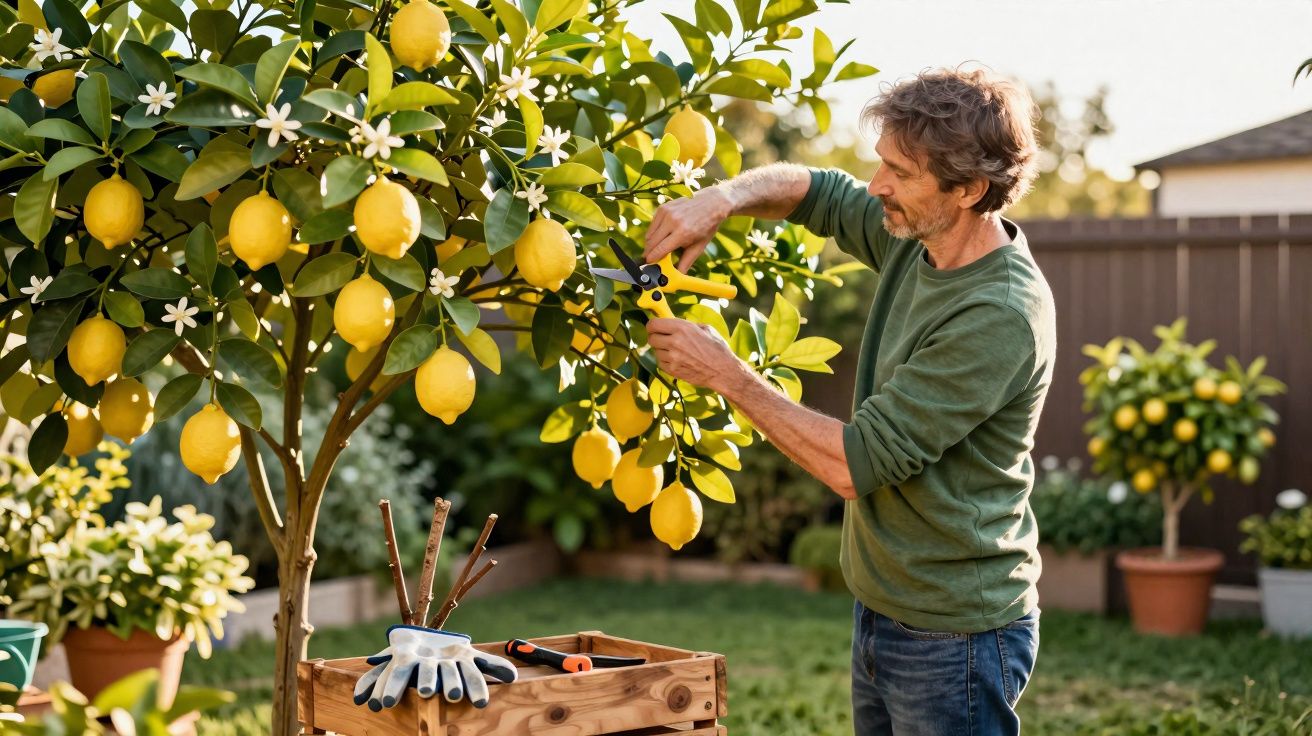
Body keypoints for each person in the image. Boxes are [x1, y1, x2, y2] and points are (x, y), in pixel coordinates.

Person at [643, 68, 1055, 735]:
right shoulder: (919, 236)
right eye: (880, 163)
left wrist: (726, 374)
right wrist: (719, 198)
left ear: (971, 189)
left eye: (901, 172)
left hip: (956, 635)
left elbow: (853, 465)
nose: (877, 186)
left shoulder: (997, 313)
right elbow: (818, 190)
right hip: (884, 606)